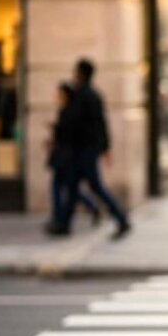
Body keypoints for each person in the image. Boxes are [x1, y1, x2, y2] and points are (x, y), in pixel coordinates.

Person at [46, 58, 132, 240]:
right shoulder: (93, 95)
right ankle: (64, 223)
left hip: (82, 151)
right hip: (86, 149)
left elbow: (73, 123)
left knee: (93, 186)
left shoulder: (81, 96)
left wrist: (59, 130)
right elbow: (102, 124)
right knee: (73, 186)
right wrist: (106, 148)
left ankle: (121, 218)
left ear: (80, 74)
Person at [45, 82, 101, 231]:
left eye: (59, 94)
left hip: (65, 157)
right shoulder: (68, 111)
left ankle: (60, 219)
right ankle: (89, 208)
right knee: (70, 188)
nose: (56, 97)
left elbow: (66, 134)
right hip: (66, 156)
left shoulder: (69, 112)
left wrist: (55, 132)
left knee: (62, 187)